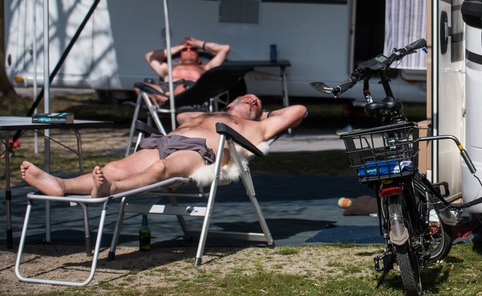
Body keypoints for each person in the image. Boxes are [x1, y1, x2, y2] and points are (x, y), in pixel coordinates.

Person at [20, 94, 307, 198]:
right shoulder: (207, 114)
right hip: (167, 140)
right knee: (114, 167)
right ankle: (61, 185)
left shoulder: (257, 127)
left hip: (201, 154)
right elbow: (182, 115)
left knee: (162, 169)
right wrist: (218, 113)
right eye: (248, 98)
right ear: (230, 102)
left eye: (257, 104)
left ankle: (110, 190)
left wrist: (266, 116)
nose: (253, 102)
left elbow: (299, 110)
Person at [142, 36, 231, 99]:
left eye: (193, 49)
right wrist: (178, 47)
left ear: (199, 59)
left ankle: (166, 98)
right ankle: (165, 98)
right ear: (179, 60)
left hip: (191, 90)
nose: (188, 51)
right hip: (166, 88)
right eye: (185, 50)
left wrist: (199, 44)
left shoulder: (205, 68)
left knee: (181, 87)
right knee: (142, 87)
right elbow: (149, 56)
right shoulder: (169, 68)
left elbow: (225, 48)